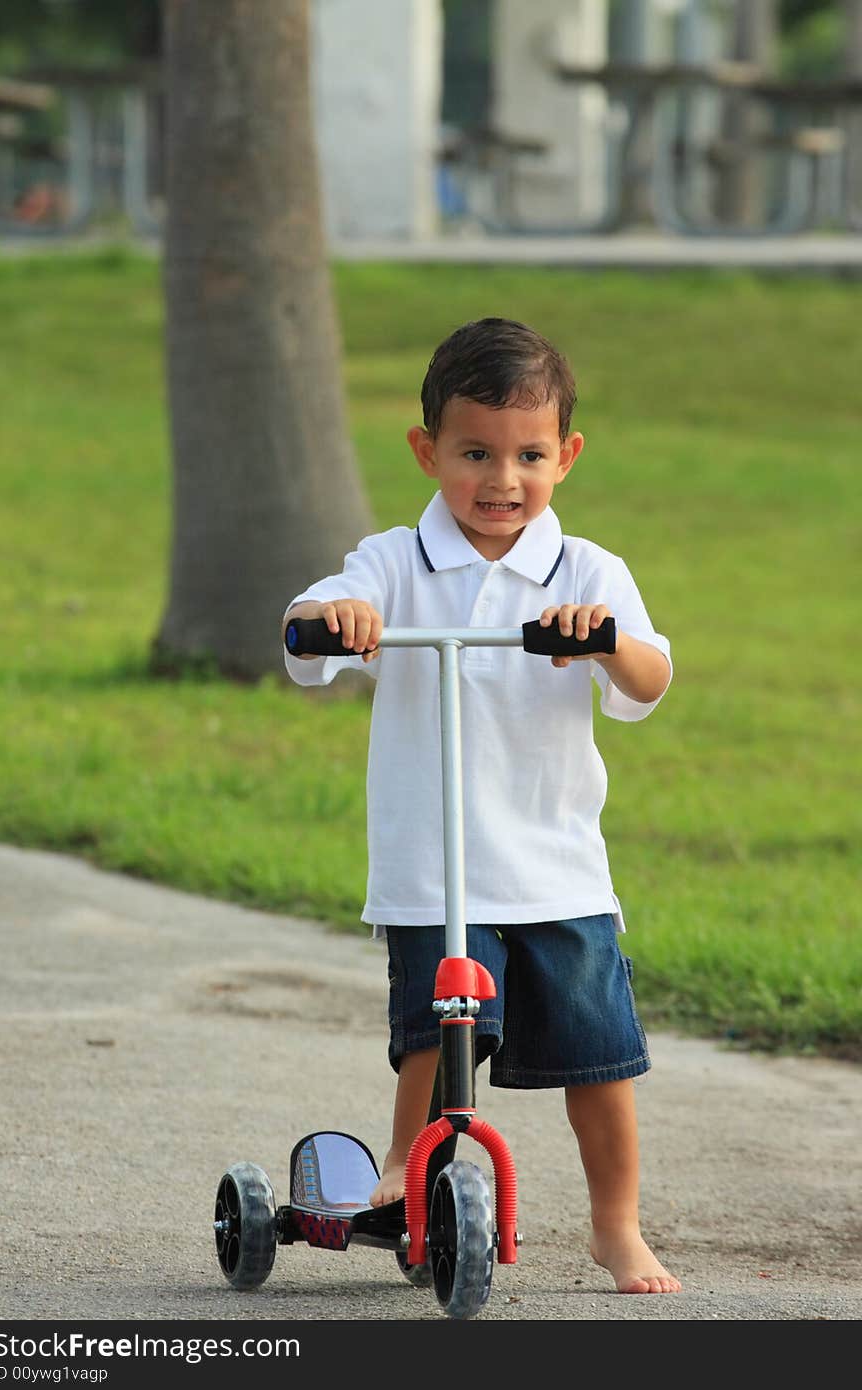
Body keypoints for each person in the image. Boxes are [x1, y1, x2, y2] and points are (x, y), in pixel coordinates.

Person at [283, 318, 680, 1294]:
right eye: (474, 453)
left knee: (600, 1055)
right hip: (434, 864)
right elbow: (305, 638)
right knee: (433, 1033)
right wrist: (343, 617)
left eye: (528, 455)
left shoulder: (585, 572)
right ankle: (397, 1173)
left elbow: (649, 679)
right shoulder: (393, 562)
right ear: (428, 451)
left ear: (565, 456)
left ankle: (615, 1224)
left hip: (555, 865)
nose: (502, 478)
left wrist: (603, 643)